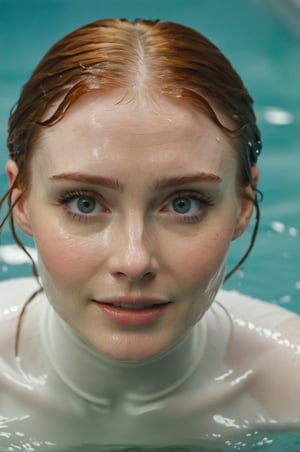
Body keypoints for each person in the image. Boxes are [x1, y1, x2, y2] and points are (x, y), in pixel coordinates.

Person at [0, 18, 299, 451]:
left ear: (244, 207)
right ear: (21, 200)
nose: (134, 260)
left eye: (184, 203)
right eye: (84, 202)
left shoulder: (288, 381)